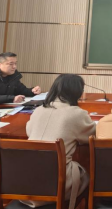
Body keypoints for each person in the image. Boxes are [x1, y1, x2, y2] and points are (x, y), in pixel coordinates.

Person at [25, 75, 95, 209]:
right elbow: (92, 137)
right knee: (89, 175)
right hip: (58, 183)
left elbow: (29, 132)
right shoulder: (76, 114)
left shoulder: (39, 110)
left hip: (24, 184)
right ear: (77, 92)